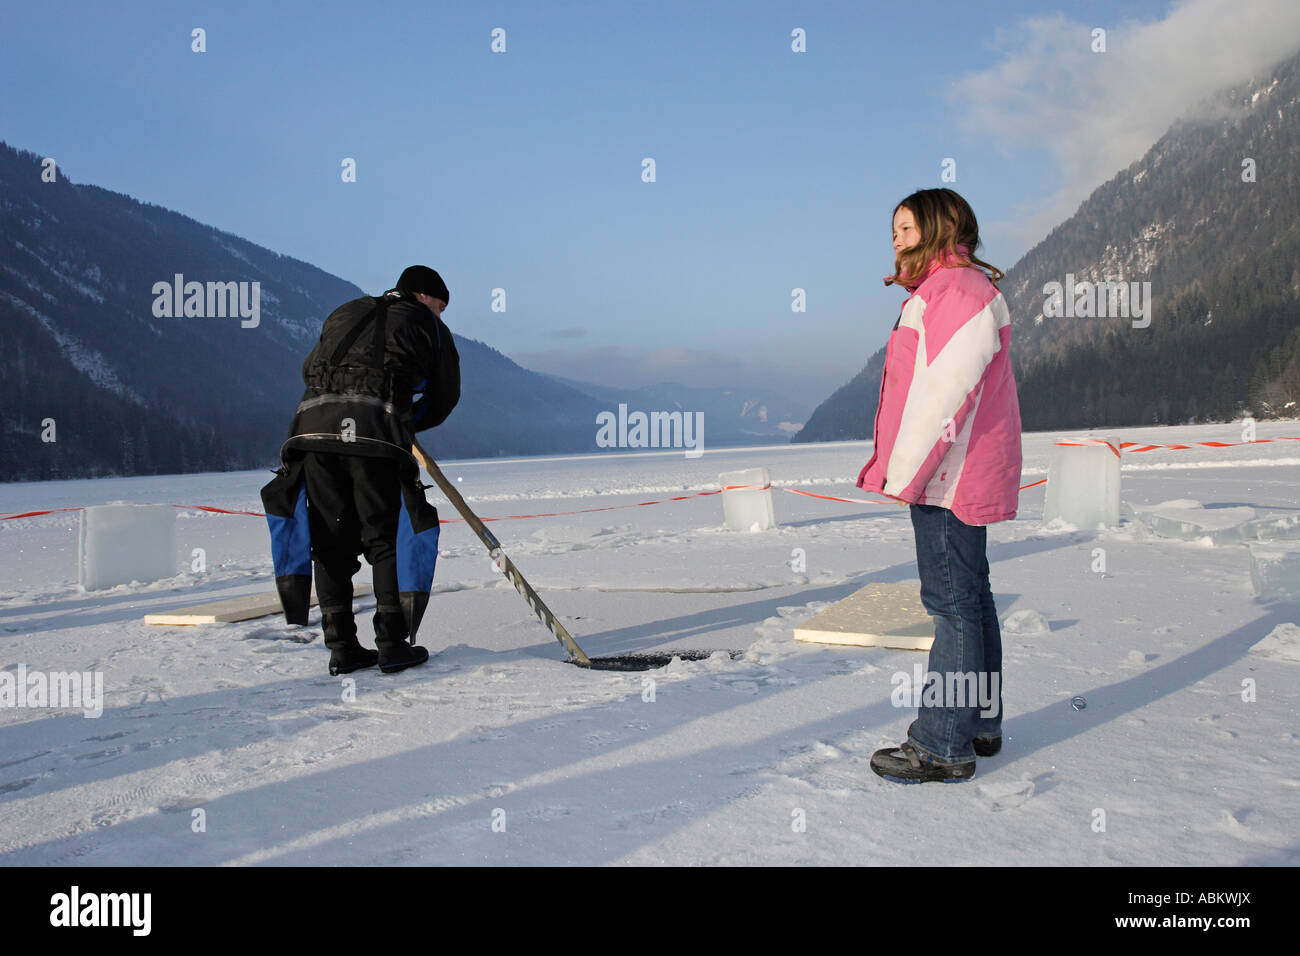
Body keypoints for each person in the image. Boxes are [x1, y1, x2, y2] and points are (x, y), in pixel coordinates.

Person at [858, 189, 1023, 783]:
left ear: (937, 226)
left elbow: (943, 395)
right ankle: (978, 722)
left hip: (948, 476)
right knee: (971, 599)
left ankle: (942, 744)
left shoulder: (954, 292)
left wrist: (906, 474)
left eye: (906, 227)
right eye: (893, 229)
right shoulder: (951, 290)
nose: (897, 239)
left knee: (952, 605)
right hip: (958, 470)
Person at [261, 266, 460, 676]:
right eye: (439, 307)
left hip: (311, 434)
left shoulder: (345, 311)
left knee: (331, 541)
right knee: (384, 537)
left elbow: (310, 369)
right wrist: (403, 417)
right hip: (375, 438)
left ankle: (342, 649)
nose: (440, 316)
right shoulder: (428, 326)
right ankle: (391, 645)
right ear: (423, 297)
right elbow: (444, 397)